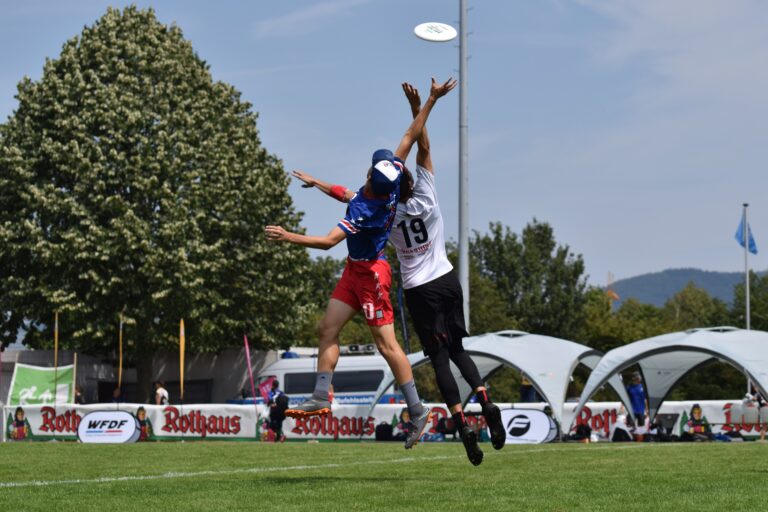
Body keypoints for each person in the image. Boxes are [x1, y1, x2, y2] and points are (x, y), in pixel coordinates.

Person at [265, 77, 456, 449]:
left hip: (371, 276)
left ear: (371, 178)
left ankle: (417, 410)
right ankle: (322, 395)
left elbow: (326, 242)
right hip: (354, 271)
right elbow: (410, 135)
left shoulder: (366, 207)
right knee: (327, 329)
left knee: (386, 347)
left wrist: (288, 236)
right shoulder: (384, 186)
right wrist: (428, 101)